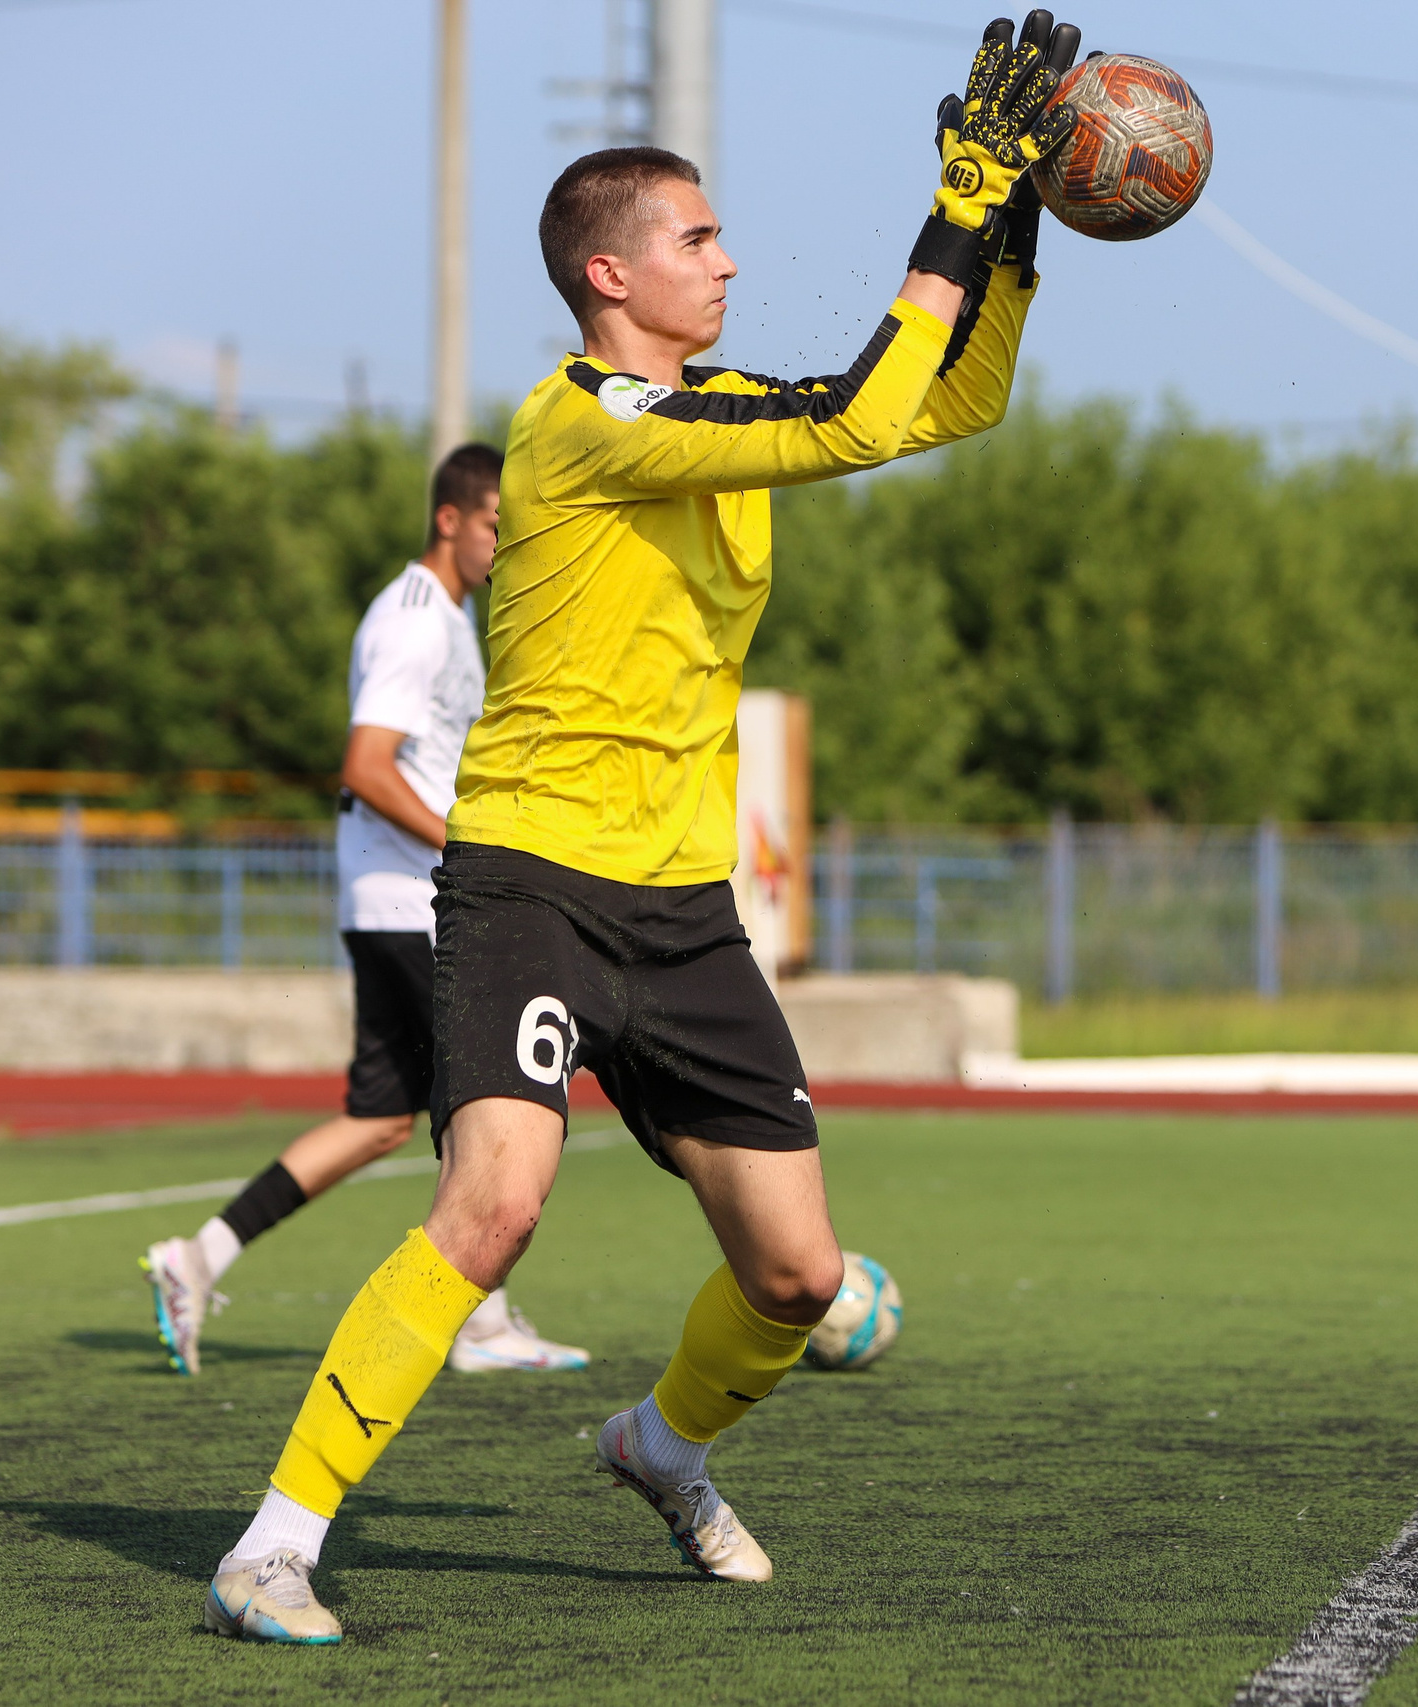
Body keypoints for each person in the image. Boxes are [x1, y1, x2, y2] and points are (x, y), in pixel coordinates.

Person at [199, 13, 1079, 1645]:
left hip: (682, 907)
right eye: (698, 235)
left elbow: (936, 407)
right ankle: (272, 1543)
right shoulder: (583, 421)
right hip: (532, 877)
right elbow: (858, 416)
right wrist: (947, 210)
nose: (728, 257)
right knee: (496, 1201)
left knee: (802, 1279)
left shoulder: (716, 405)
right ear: (612, 274)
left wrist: (1014, 212)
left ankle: (660, 1448)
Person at [142, 443, 589, 1381]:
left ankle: (200, 1257)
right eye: (496, 524)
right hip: (414, 903)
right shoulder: (416, 619)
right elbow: (366, 765)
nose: (506, 542)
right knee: (493, 1104)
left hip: (391, 901)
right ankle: (482, 1319)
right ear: (449, 519)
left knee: (383, 1117)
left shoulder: (453, 622)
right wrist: (461, 850)